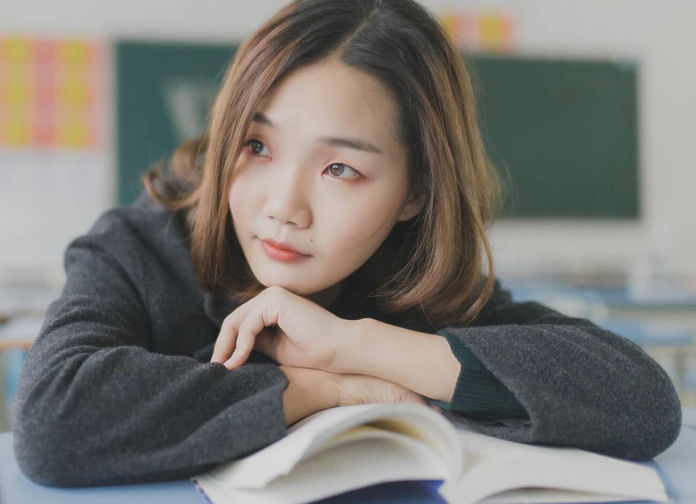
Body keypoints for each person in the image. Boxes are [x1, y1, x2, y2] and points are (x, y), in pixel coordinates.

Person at [13, 0, 680, 488]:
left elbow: (641, 401)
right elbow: (52, 422)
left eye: (340, 169)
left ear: (415, 191)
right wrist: (319, 388)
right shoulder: (140, 246)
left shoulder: (410, 278)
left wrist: (354, 344)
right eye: (257, 146)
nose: (282, 207)